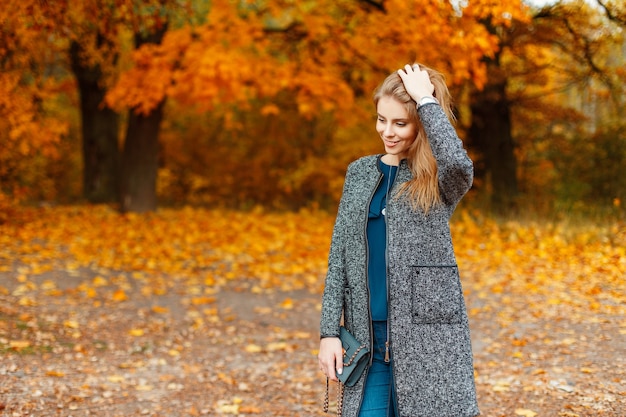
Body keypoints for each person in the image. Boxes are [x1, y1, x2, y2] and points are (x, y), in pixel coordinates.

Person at [318, 63, 480, 417]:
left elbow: (459, 165)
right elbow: (339, 257)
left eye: (400, 123)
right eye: (381, 120)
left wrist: (426, 100)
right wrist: (329, 332)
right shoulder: (359, 173)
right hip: (368, 342)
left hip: (429, 343)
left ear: (421, 123)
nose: (387, 132)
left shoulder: (438, 180)